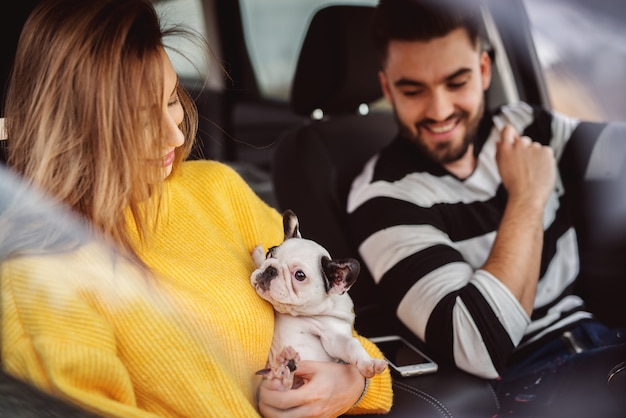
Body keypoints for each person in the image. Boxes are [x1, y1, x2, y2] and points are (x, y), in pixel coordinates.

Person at [0, 0, 393, 417]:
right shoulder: (39, 276)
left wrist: (353, 383)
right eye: (139, 118)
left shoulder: (219, 190)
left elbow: (335, 322)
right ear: (69, 125)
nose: (174, 134)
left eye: (172, 100)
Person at [346, 0, 626, 416]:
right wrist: (528, 196)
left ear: (483, 71)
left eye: (456, 82)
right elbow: (479, 345)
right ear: (388, 88)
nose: (439, 111)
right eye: (413, 90)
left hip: (602, 340)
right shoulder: (382, 198)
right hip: (524, 383)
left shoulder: (527, 126)